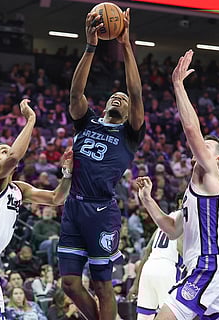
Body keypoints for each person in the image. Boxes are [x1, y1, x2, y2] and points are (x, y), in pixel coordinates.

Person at [57, 8, 145, 320]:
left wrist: (126, 45)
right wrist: (91, 45)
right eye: (114, 95)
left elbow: (135, 90)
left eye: (124, 98)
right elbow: (76, 92)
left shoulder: (129, 134)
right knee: (69, 283)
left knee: (101, 284)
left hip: (101, 211)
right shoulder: (86, 122)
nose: (118, 97)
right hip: (73, 207)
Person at [0, 99, 74, 320]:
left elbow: (57, 198)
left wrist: (67, 174)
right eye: (3, 150)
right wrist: (31, 120)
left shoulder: (19, 189)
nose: (8, 152)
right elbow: (14, 157)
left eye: (8, 149)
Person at [136, 49, 219, 319]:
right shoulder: (194, 196)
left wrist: (178, 85)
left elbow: (191, 131)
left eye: (207, 145)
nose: (200, 145)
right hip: (206, 266)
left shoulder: (212, 176)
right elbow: (171, 229)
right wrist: (147, 200)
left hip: (208, 264)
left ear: (216, 159)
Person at [127, 221, 184, 319]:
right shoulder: (187, 219)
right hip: (167, 268)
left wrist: (136, 285)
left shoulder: (164, 220)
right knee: (172, 314)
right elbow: (180, 248)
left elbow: (146, 252)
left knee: (144, 316)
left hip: (149, 266)